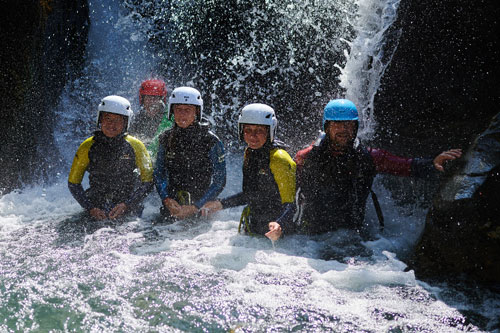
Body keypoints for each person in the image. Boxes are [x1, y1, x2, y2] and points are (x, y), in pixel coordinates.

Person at [294, 99, 462, 238]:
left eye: (349, 125)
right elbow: (290, 193)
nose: (344, 130)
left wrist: (432, 164)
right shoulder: (306, 157)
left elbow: (406, 166)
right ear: (327, 127)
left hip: (350, 234)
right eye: (338, 124)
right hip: (312, 236)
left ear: (356, 127)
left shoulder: (369, 157)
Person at [201, 103, 297, 241]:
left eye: (259, 131)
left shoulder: (279, 158)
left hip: (279, 234)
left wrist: (279, 224)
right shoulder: (249, 152)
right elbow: (252, 194)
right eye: (248, 130)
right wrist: (221, 204)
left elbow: (291, 204)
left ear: (270, 131)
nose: (253, 136)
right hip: (255, 226)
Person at [68, 95, 154, 220]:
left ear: (125, 123)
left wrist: (127, 204)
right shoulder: (87, 146)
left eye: (117, 120)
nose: (111, 124)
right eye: (107, 118)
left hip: (128, 204)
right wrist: (90, 208)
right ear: (100, 119)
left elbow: (148, 182)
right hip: (96, 205)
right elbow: (73, 183)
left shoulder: (136, 146)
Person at [154, 86, 226, 220]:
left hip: (201, 209)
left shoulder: (211, 141)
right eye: (178, 110)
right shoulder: (165, 138)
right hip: (172, 207)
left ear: (196, 112)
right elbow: (159, 173)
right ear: (172, 111)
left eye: (187, 110)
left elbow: (219, 181)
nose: (182, 115)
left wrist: (196, 206)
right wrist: (166, 199)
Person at [129, 79, 173, 156]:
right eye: (148, 98)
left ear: (161, 100)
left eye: (155, 98)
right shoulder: (137, 119)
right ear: (143, 99)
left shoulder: (169, 118)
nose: (152, 102)